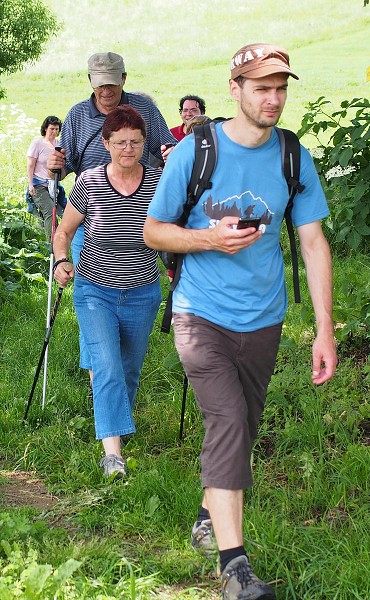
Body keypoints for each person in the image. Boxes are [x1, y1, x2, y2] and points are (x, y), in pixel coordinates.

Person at [144, 43, 338, 599]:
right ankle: (235, 568)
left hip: (264, 318)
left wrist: (324, 330)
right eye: (262, 88)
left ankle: (209, 518)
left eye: (281, 88)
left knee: (243, 427)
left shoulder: (292, 156)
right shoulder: (195, 151)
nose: (273, 99)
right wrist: (209, 240)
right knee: (228, 421)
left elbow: (313, 241)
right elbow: (154, 231)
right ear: (235, 90)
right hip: (199, 313)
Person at [47, 52, 176, 389]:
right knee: (93, 306)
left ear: (124, 79)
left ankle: (111, 378)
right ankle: (99, 379)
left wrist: (171, 154)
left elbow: (169, 149)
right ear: (91, 82)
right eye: (99, 83)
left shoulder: (144, 110)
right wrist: (55, 167)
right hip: (89, 214)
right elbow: (66, 165)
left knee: (129, 305)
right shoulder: (77, 114)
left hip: (137, 216)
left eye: (112, 82)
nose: (106, 90)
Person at [53, 106, 162, 478]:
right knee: (108, 367)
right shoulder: (89, 181)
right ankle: (112, 455)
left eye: (135, 142)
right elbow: (64, 232)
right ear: (106, 143)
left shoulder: (160, 181)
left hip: (143, 291)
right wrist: (60, 260)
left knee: (129, 370)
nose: (128, 149)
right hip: (94, 289)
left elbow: (176, 229)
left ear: (144, 144)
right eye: (120, 142)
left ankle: (112, 419)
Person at [26, 115, 66, 239]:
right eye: (52, 129)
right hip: (39, 185)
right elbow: (30, 164)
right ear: (45, 129)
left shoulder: (59, 145)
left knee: (63, 212)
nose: (54, 132)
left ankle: (55, 239)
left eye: (57, 129)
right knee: (50, 212)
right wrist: (30, 184)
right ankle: (52, 244)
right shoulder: (38, 143)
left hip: (53, 185)